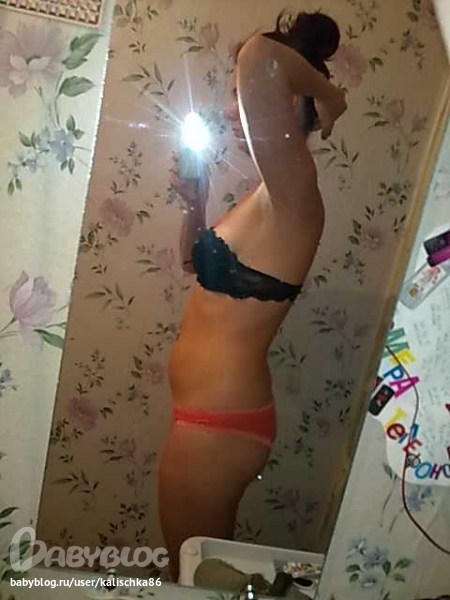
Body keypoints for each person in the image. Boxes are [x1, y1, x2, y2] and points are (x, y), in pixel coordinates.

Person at [159, 10, 347, 581]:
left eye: (240, 98)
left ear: (292, 104)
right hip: (212, 419)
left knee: (192, 576)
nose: (229, 110)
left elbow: (258, 57)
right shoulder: (271, 196)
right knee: (200, 572)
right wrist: (195, 203)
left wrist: (331, 96)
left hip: (218, 425)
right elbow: (195, 268)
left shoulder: (296, 191)